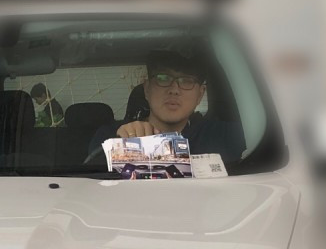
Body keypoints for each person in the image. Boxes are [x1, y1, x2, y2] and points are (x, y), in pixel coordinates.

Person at [89, 49, 245, 164]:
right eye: (163, 78)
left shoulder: (225, 136)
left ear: (200, 94)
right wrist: (122, 145)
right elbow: (94, 182)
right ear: (147, 89)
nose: (174, 90)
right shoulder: (111, 136)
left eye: (187, 81)